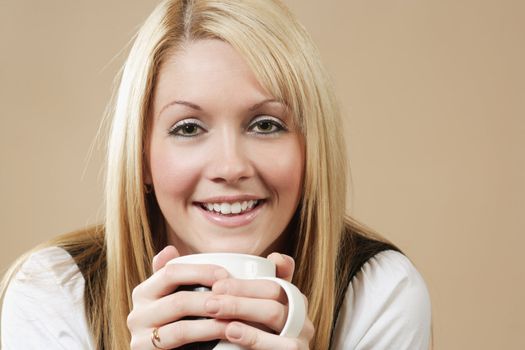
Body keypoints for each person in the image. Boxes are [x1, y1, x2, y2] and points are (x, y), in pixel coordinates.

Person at [0, 0, 432, 349]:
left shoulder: (378, 293)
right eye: (188, 128)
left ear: (310, 149)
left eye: (266, 124)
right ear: (142, 156)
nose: (230, 167)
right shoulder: (53, 292)